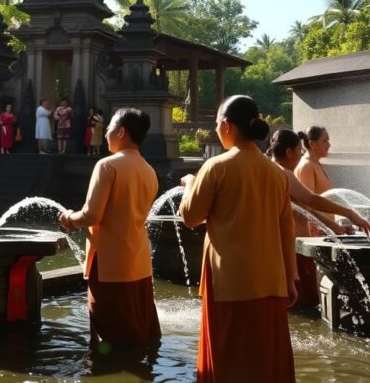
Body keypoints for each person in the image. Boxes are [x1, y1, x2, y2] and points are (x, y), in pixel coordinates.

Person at [178, 95, 297, 383]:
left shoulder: (217, 167)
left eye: (217, 123)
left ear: (228, 126)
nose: (216, 128)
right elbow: (286, 230)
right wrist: (290, 278)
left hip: (230, 283)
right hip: (270, 281)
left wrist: (190, 184)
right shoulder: (277, 173)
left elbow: (190, 216)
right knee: (265, 362)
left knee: (229, 360)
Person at [59, 108, 161, 356]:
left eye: (109, 129)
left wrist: (68, 218)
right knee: (137, 332)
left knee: (110, 338)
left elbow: (92, 215)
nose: (105, 133)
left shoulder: (107, 166)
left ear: (122, 132)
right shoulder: (149, 170)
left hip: (110, 263)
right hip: (138, 260)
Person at [267, 128, 370, 309]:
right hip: (293, 247)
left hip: (285, 246)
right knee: (302, 305)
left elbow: (304, 205)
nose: (300, 155)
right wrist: (349, 213)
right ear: (288, 152)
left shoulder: (269, 171)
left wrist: (333, 226)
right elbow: (311, 199)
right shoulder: (283, 173)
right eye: (299, 151)